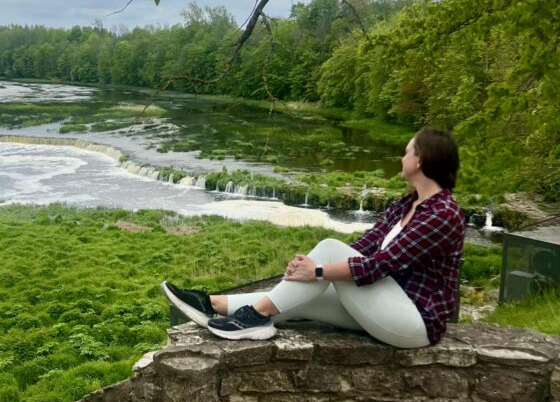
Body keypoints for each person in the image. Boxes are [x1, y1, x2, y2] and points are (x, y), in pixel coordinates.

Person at [161, 127, 466, 348]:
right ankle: (212, 304)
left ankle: (254, 316)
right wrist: (311, 270)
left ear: (422, 161)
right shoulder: (406, 203)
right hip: (383, 304)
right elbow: (363, 246)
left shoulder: (443, 213)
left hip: (415, 322)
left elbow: (379, 265)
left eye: (408, 151)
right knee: (305, 298)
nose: (402, 156)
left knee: (330, 252)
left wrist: (318, 270)